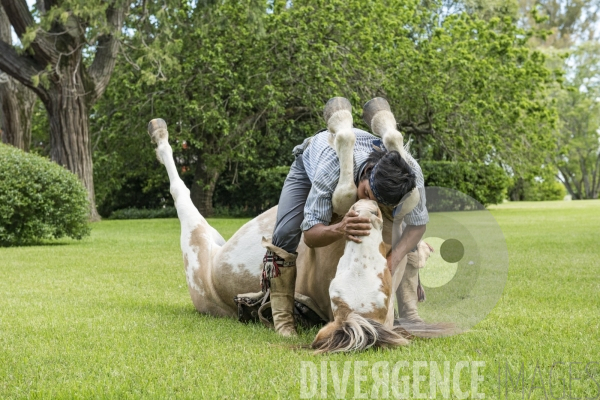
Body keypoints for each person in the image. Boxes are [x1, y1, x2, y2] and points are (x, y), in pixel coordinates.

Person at [261, 98, 429, 337]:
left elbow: (418, 225)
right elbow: (310, 234)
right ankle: (284, 320)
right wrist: (340, 228)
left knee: (404, 221)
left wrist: (393, 258)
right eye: (367, 194)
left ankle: (411, 313)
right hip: (313, 162)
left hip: (367, 160)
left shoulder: (411, 173)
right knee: (286, 232)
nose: (370, 204)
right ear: (368, 173)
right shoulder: (328, 167)